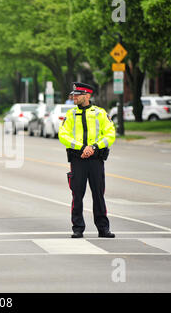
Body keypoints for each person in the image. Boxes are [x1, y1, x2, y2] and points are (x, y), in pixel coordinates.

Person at [58, 82, 116, 239]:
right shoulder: (70, 115)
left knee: (98, 194)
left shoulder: (100, 113)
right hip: (78, 160)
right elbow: (63, 135)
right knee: (77, 195)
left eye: (78, 95)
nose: (74, 97)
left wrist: (94, 147)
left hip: (96, 160)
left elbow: (110, 134)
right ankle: (78, 228)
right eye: (74, 95)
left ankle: (103, 229)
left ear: (88, 96)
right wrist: (81, 147)